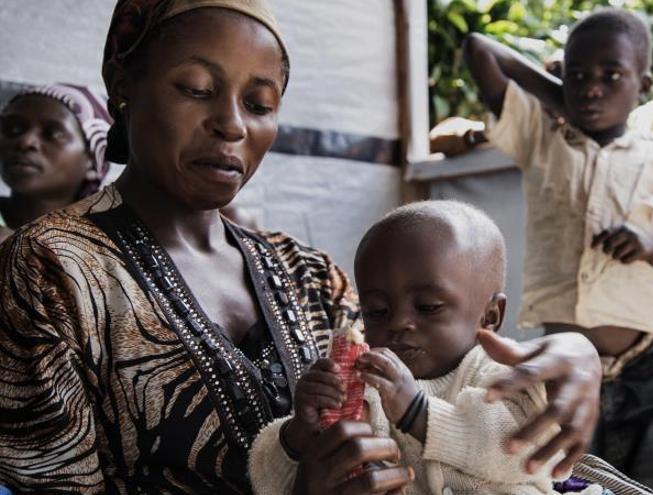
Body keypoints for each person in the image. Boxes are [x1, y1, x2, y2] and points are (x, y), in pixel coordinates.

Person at [0, 1, 603, 493]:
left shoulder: (307, 271)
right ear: (124, 88)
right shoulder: (54, 266)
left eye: (260, 103)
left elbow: (438, 378)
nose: (233, 123)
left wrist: (576, 356)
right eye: (195, 88)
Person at [463, 8, 653, 495]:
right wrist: (558, 96)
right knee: (566, 487)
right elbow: (480, 49)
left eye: (612, 75)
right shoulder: (542, 139)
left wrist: (652, 247)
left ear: (643, 82)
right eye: (579, 75)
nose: (592, 88)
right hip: (562, 375)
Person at [284, 200, 601, 495]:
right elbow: (278, 484)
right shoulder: (368, 389)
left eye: (427, 306)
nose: (398, 323)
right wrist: (298, 437)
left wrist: (418, 413)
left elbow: (530, 452)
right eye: (377, 311)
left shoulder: (502, 377)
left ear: (489, 317)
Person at [0, 84, 112, 242]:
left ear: (91, 160)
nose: (25, 142)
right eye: (13, 128)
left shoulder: (104, 250)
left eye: (53, 134)